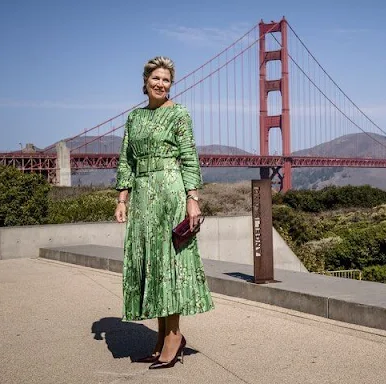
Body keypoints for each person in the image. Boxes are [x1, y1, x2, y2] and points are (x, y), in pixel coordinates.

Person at [114, 56, 214, 369]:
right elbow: (126, 159)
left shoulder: (179, 115)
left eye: (166, 80)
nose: (160, 84)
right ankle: (160, 339)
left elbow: (189, 157)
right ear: (145, 82)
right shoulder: (134, 118)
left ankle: (173, 336)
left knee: (169, 264)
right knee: (152, 265)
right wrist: (122, 197)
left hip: (170, 193)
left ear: (170, 85)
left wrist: (192, 198)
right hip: (143, 198)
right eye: (156, 78)